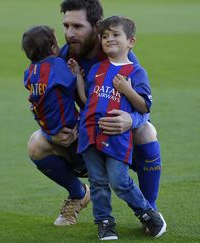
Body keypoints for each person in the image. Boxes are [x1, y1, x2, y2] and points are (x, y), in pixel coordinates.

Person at [27, 0, 163, 226]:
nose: (69, 34)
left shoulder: (119, 55)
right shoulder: (62, 58)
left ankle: (150, 210)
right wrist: (54, 132)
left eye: (77, 27)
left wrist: (131, 120)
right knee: (36, 143)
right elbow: (42, 102)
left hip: (117, 138)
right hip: (85, 137)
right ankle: (79, 194)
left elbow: (145, 106)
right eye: (66, 26)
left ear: (97, 26)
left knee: (146, 130)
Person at [71, 15, 166, 240]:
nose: (109, 39)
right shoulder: (97, 68)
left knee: (119, 181)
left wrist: (126, 89)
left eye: (116, 35)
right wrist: (78, 78)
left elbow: (144, 106)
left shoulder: (135, 72)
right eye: (105, 36)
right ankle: (104, 222)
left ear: (130, 42)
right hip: (90, 135)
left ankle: (146, 213)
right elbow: (87, 100)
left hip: (117, 137)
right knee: (98, 183)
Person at [21, 25, 91, 226]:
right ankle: (85, 188)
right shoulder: (57, 66)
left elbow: (33, 92)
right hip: (72, 129)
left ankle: (80, 189)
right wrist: (77, 74)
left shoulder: (31, 71)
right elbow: (74, 88)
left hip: (50, 129)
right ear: (53, 47)